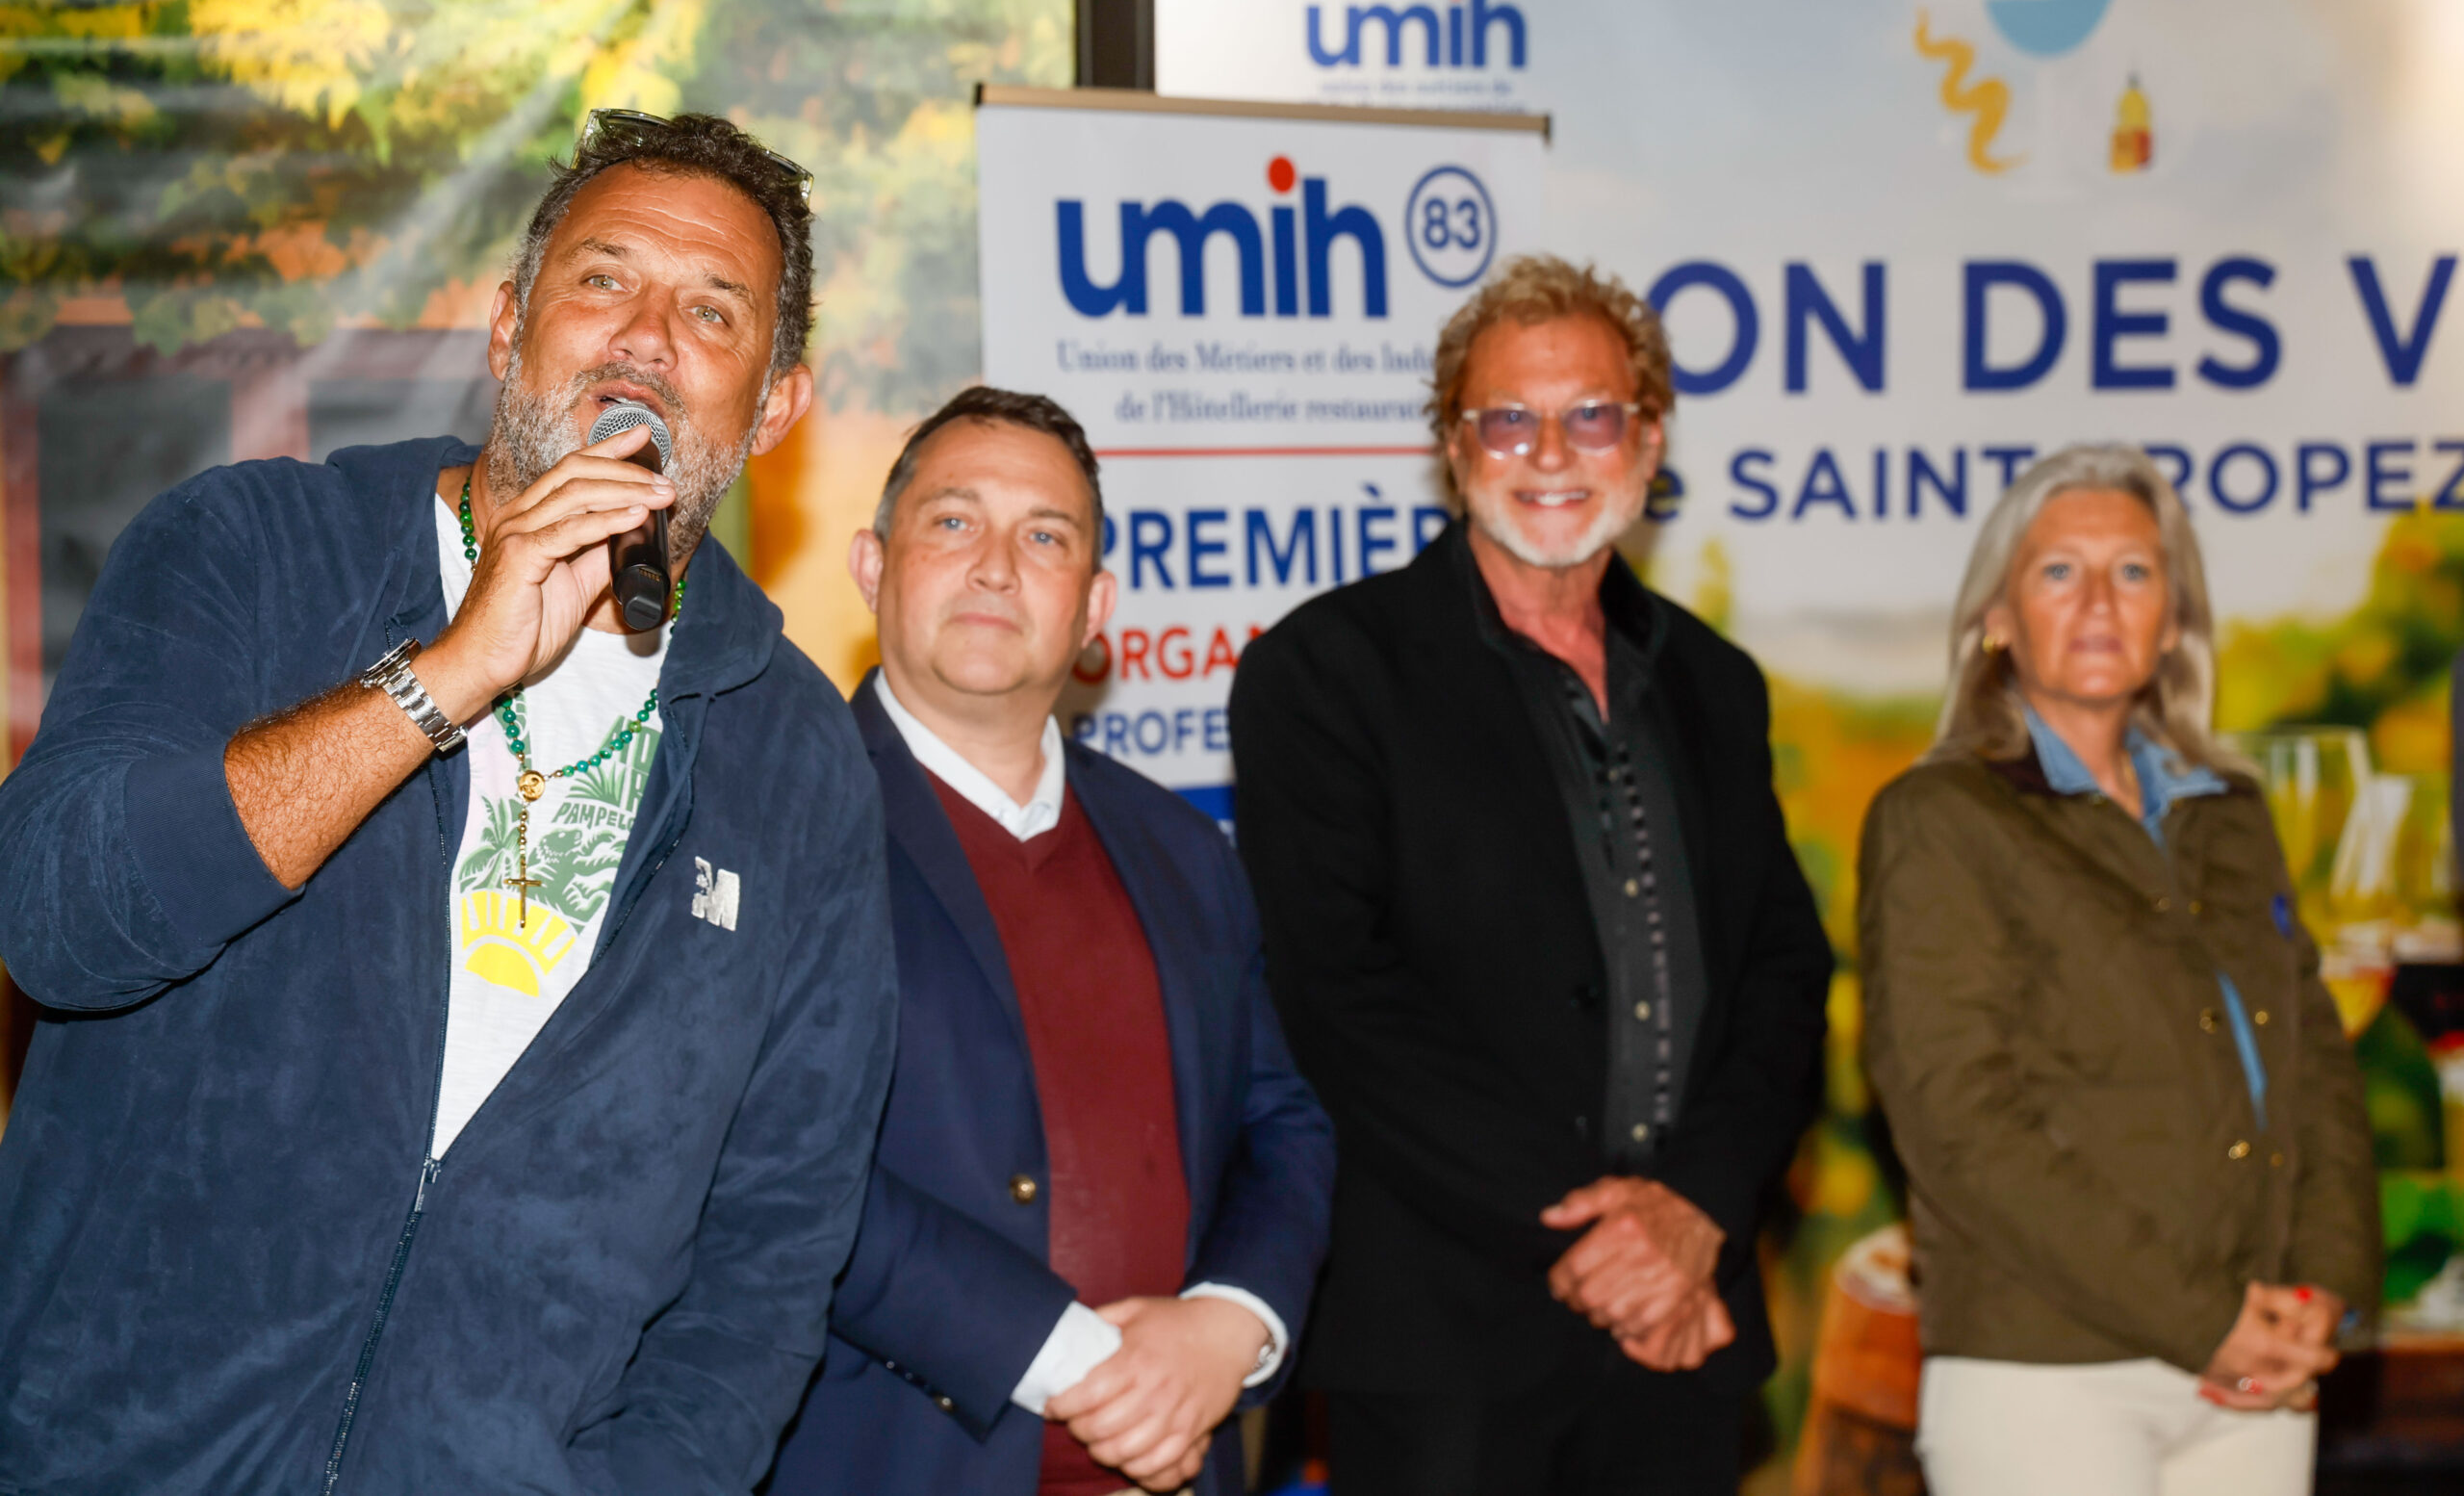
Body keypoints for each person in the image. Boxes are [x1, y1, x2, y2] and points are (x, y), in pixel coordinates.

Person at [0, 112, 899, 1494]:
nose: (645, 338)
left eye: (712, 311)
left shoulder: (794, 750)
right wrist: (447, 673)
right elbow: (57, 921)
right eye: (602, 279)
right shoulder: (252, 547)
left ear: (774, 407)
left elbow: (773, 1249)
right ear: (506, 326)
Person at [1228, 255, 1833, 1495]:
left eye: (1591, 416)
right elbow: (1340, 1002)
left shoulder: (1717, 683)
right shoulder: (1325, 673)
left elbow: (1781, 973)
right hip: (1451, 1344)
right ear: (1455, 447)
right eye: (1507, 417)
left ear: (1647, 440)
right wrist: (1609, 1237)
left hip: (1683, 1330)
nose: (1549, 452)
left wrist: (1692, 1214)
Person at [766, 388, 1335, 1496]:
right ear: (872, 567)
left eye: (1044, 538)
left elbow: (1283, 1125)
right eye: (952, 522)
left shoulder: (1181, 848)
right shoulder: (770, 827)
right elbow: (769, 1160)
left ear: (1093, 608)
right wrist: (1078, 1362)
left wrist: (1232, 1322)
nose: (994, 568)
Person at [1858, 444, 2380, 1496]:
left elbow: (2315, 1069)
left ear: (2173, 619)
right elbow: (1960, 1125)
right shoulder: (1939, 819)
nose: (2099, 600)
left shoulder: (2230, 815)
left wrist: (2324, 1287)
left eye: (2133, 571)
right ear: (1997, 619)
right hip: (2046, 1376)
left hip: (2259, 1364)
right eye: (2059, 571)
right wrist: (2205, 1319)